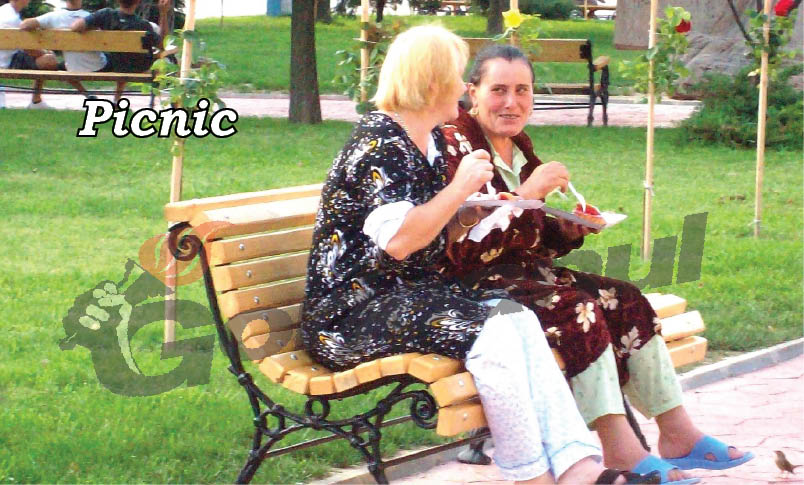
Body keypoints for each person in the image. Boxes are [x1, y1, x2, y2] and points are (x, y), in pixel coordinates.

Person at [302, 24, 658, 485]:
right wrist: (459, 189)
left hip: (409, 296)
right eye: (455, 75)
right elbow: (401, 241)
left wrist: (483, 211)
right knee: (495, 334)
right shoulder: (380, 143)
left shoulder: (426, 140)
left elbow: (444, 229)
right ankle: (532, 477)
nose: (461, 86)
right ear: (431, 82)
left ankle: (578, 465)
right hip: (351, 314)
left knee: (518, 320)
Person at [438, 44, 754, 484]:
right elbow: (468, 247)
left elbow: (528, 236)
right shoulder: (455, 143)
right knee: (578, 310)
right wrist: (529, 192)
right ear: (473, 92)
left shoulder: (517, 145)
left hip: (525, 276)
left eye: (522, 90)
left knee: (624, 297)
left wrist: (569, 229)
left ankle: (677, 431)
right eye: (499, 90)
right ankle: (620, 447)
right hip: (471, 285)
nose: (511, 102)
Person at [70, 0, 168, 102]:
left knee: (121, 58)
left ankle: (117, 99)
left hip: (116, 65)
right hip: (138, 68)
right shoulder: (143, 25)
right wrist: (163, 14)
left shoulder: (105, 15)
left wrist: (94, 25)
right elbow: (164, 44)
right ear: (138, 2)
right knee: (162, 61)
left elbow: (75, 27)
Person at [19, 0, 107, 101]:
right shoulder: (90, 16)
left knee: (52, 63)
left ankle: (36, 99)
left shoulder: (54, 17)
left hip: (73, 67)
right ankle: (113, 98)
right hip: (100, 66)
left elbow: (24, 25)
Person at [0, 0, 59, 108]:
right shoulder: (12, 19)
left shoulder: (5, 10)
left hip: (10, 56)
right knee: (49, 60)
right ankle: (36, 101)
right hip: (6, 62)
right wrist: (46, 52)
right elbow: (29, 49)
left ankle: (36, 101)